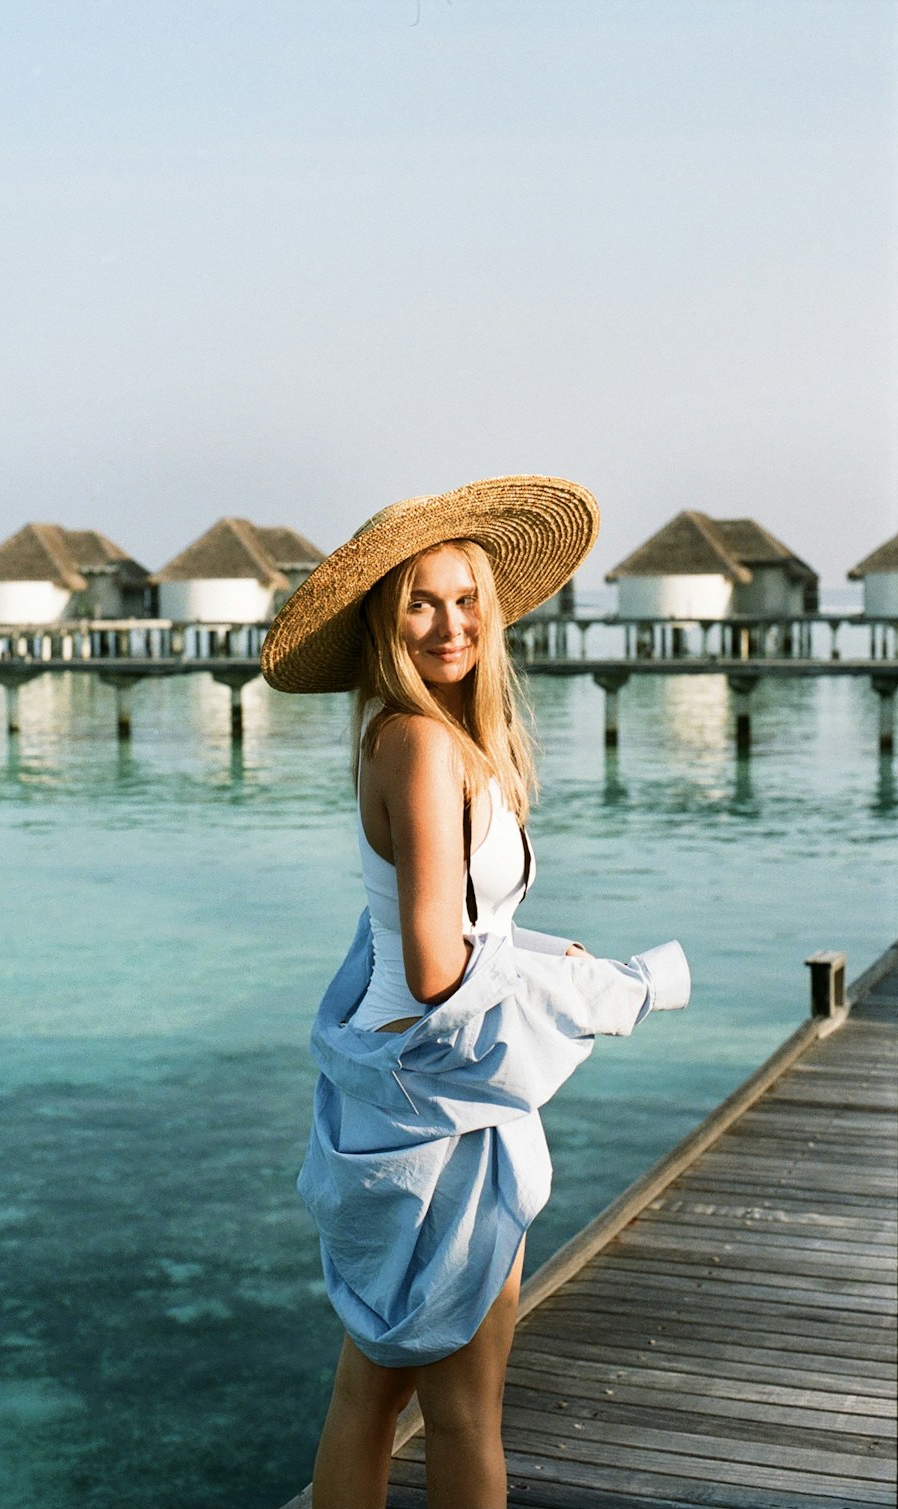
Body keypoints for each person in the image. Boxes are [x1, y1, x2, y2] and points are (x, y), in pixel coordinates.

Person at [261, 475, 690, 1509]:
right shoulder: (413, 744)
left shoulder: (446, 744)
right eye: (420, 601)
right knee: (456, 1408)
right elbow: (432, 967)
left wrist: (542, 949)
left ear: (491, 614)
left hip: (419, 1084)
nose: (448, 624)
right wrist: (581, 989)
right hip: (430, 1100)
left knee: (377, 1380)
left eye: (465, 600)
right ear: (382, 620)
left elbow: (461, 931)